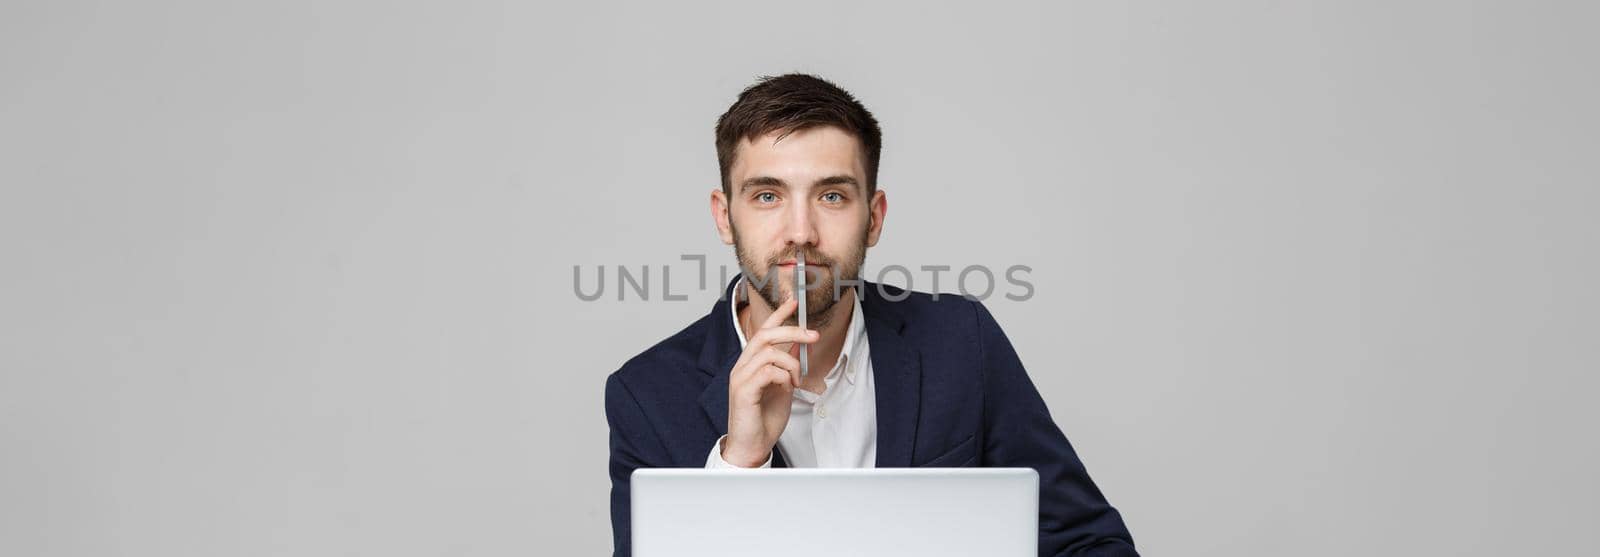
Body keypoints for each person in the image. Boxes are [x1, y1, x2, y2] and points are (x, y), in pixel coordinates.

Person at [603, 73, 1137, 556]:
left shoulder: (961, 343)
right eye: (767, 195)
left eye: (832, 196)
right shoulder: (645, 394)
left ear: (874, 218)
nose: (801, 231)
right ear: (725, 217)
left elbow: (1090, 543)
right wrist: (739, 463)